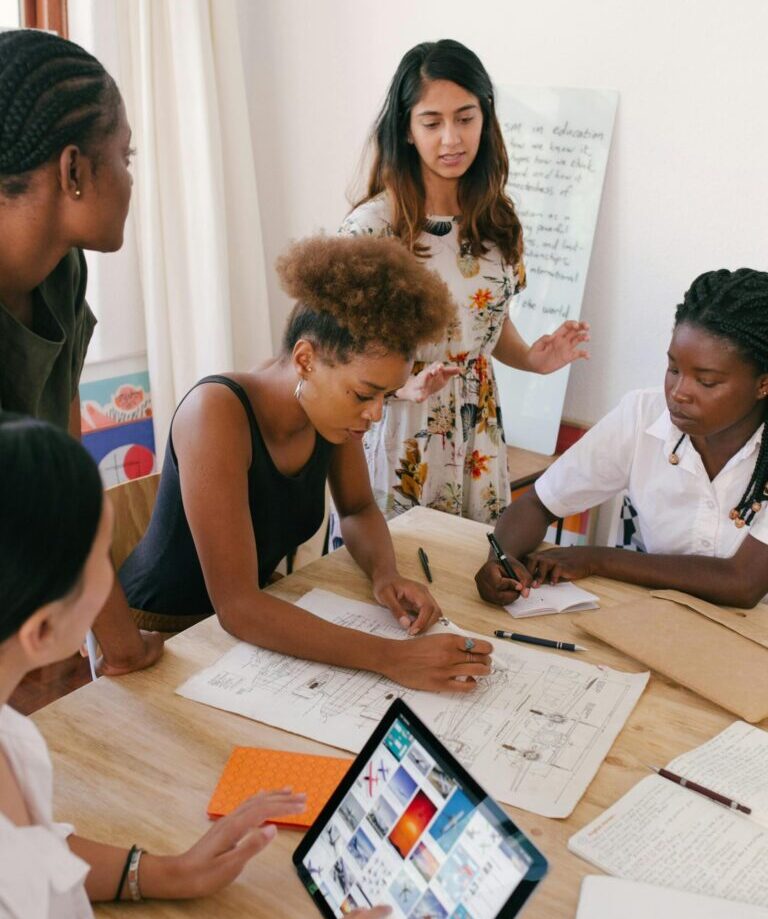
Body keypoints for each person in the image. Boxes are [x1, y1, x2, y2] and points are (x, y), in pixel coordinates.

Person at [0, 413, 391, 918]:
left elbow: (33, 860)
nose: (114, 570)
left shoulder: (13, 736)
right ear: (43, 629)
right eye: (100, 557)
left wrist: (163, 872)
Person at [119, 235, 494, 691]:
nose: (376, 414)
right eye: (364, 394)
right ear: (305, 360)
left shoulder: (332, 416)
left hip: (253, 613)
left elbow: (356, 509)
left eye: (386, 395)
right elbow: (236, 607)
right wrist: (391, 656)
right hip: (162, 632)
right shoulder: (214, 414)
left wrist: (385, 574)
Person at [333, 39, 589, 532]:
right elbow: (332, 356)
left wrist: (535, 360)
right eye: (432, 123)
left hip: (478, 431)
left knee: (472, 583)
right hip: (397, 431)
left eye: (465, 118)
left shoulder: (496, 222)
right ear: (407, 130)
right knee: (393, 588)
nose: (451, 138)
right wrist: (402, 385)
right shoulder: (370, 231)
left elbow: (486, 328)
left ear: (485, 119)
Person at [0, 28, 161, 675]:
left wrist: (116, 642)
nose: (129, 179)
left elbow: (67, 477)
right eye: (124, 157)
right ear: (73, 170)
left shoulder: (64, 273)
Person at [475, 268, 768, 609]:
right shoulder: (643, 415)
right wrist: (502, 558)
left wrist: (597, 559)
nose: (678, 392)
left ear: (763, 384)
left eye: (706, 382)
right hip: (659, 617)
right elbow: (538, 504)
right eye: (673, 369)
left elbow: (743, 583)